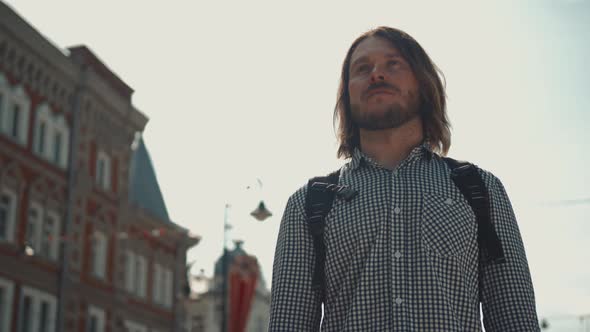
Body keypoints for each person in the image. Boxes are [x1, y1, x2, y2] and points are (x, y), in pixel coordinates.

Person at [269, 26, 539, 331]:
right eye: (362, 68)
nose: (376, 75)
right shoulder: (308, 204)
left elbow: (515, 318)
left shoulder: (481, 189)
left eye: (393, 64)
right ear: (346, 94)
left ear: (424, 84)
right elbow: (288, 324)